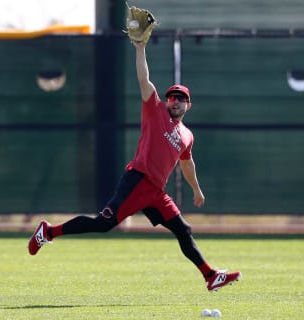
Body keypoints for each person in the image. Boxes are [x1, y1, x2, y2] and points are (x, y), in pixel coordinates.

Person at [28, 40, 241, 292]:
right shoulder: (156, 110)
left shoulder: (187, 135)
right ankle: (49, 232)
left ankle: (210, 276)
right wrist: (140, 48)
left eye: (181, 99)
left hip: (156, 192)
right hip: (137, 180)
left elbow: (187, 162)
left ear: (188, 105)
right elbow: (144, 79)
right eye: (173, 96)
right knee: (103, 223)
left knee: (183, 229)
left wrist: (196, 189)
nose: (176, 101)